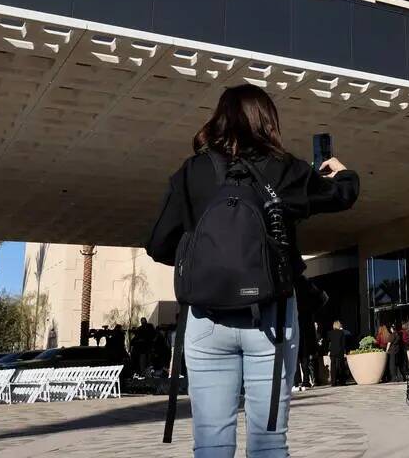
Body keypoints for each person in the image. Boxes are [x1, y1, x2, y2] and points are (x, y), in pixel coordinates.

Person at [146, 83, 360, 457]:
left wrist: (204, 259)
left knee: (211, 444)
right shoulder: (285, 169)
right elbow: (342, 196)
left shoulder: (192, 172)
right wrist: (343, 174)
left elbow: (158, 243)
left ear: (219, 119)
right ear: (268, 122)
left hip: (205, 319)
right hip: (272, 318)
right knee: (268, 443)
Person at [326, 320, 350, 386]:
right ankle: (342, 381)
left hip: (332, 351)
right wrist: (345, 352)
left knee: (333, 366)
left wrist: (328, 350)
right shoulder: (341, 333)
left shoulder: (330, 333)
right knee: (341, 366)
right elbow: (343, 343)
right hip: (340, 351)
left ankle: (333, 382)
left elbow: (328, 342)